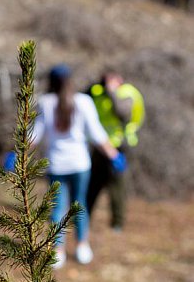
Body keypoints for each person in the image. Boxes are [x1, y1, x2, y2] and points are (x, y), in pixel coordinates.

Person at [33, 64, 126, 269]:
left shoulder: (45, 102)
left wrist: (17, 152)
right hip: (79, 164)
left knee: (57, 208)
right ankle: (82, 246)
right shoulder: (83, 102)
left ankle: (58, 251)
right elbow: (97, 134)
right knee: (80, 205)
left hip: (56, 165)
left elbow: (34, 135)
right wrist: (114, 155)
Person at [86, 71, 145, 230]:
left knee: (117, 186)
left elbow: (123, 113)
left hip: (120, 147)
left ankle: (117, 223)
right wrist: (93, 87)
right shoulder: (99, 92)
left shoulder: (127, 93)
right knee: (92, 184)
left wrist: (112, 92)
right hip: (100, 146)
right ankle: (84, 218)